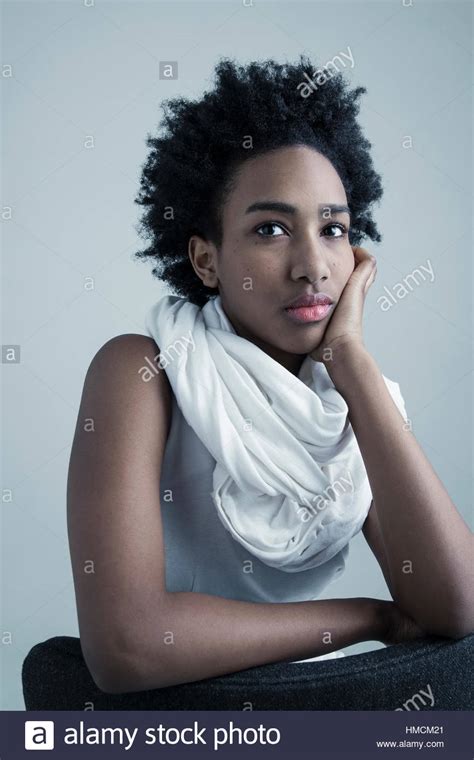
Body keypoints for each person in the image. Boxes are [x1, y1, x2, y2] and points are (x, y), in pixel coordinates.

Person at [66, 56, 473, 697]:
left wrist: (354, 366)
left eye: (333, 229)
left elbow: (457, 608)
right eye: (272, 229)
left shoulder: (350, 400)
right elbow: (131, 648)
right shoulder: (142, 372)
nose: (313, 265)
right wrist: (371, 618)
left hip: (312, 717)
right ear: (206, 259)